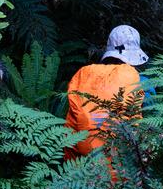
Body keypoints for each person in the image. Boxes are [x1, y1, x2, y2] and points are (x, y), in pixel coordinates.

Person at [64, 25, 149, 165]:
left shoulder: (83, 75)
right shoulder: (140, 80)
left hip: (80, 172)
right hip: (123, 174)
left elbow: (71, 125)